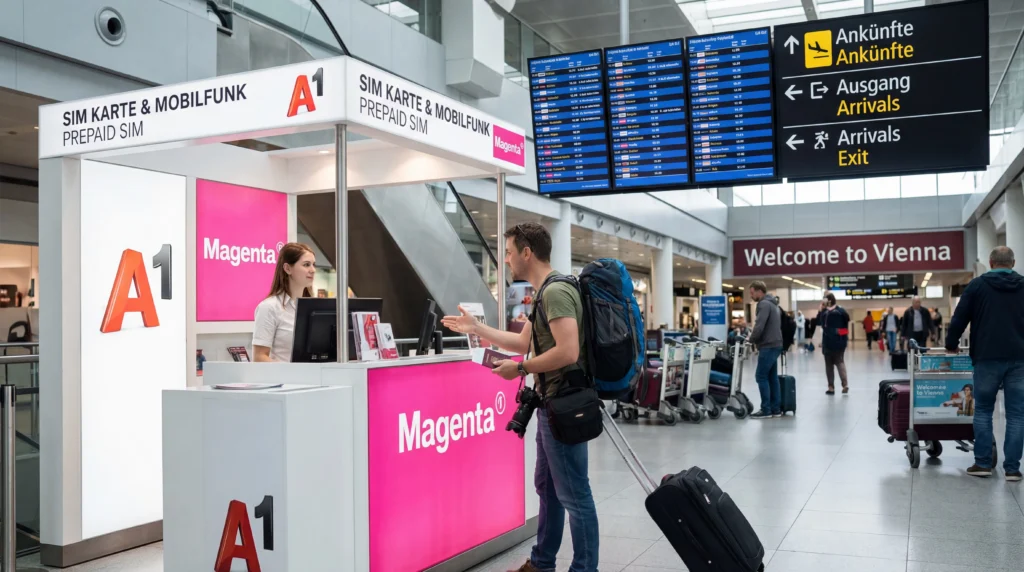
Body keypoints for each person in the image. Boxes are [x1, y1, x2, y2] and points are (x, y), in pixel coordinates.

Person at [441, 222, 598, 572]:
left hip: (563, 404)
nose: (507, 260)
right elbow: (524, 342)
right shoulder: (545, 292)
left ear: (527, 252)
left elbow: (568, 351)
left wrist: (522, 369)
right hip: (549, 405)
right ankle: (542, 564)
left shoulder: (556, 292)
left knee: (575, 495)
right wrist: (477, 329)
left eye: (510, 252)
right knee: (548, 488)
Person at [945, 246, 1024, 481]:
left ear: (990, 262)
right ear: (1013, 262)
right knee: (1017, 414)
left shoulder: (978, 285)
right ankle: (1012, 469)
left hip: (987, 356)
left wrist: (951, 342)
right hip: (1019, 357)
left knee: (983, 410)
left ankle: (982, 464)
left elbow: (960, 316)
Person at [251, 243, 316, 362]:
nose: (313, 270)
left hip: (315, 378)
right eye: (306, 265)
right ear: (287, 268)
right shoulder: (269, 307)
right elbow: (259, 357)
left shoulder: (314, 309)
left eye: (313, 264)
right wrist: (290, 372)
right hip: (286, 379)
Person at [747, 281, 782, 419]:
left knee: (760, 376)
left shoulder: (763, 304)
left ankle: (766, 409)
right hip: (776, 344)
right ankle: (776, 409)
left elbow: (759, 326)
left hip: (768, 345)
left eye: (752, 292)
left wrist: (751, 339)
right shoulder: (773, 304)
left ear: (759, 291)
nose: (751, 296)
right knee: (772, 377)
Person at [817, 293, 850, 395]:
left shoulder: (825, 313)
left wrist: (820, 310)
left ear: (827, 302)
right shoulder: (841, 311)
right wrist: (841, 333)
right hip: (840, 342)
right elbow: (846, 324)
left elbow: (820, 323)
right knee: (840, 362)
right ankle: (845, 384)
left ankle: (831, 387)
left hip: (828, 343)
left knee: (829, 365)